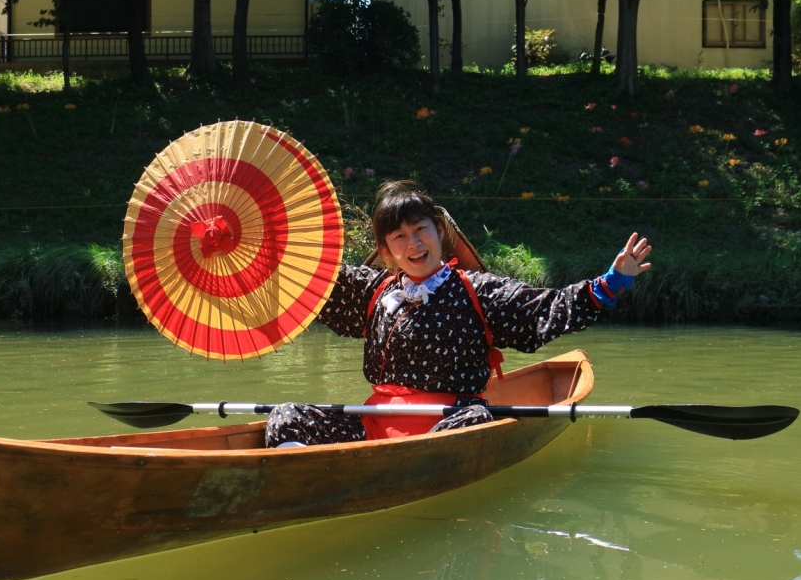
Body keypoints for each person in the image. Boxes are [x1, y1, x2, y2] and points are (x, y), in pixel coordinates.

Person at [265, 180, 652, 448]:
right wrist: (265, 248)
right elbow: (314, 276)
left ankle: (406, 469)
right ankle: (298, 474)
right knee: (287, 416)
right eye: (400, 237)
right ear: (387, 251)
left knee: (474, 421)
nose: (414, 243)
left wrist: (612, 282)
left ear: (438, 232)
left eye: (421, 230)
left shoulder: (477, 291)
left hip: (450, 423)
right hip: (376, 422)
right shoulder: (374, 289)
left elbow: (545, 308)